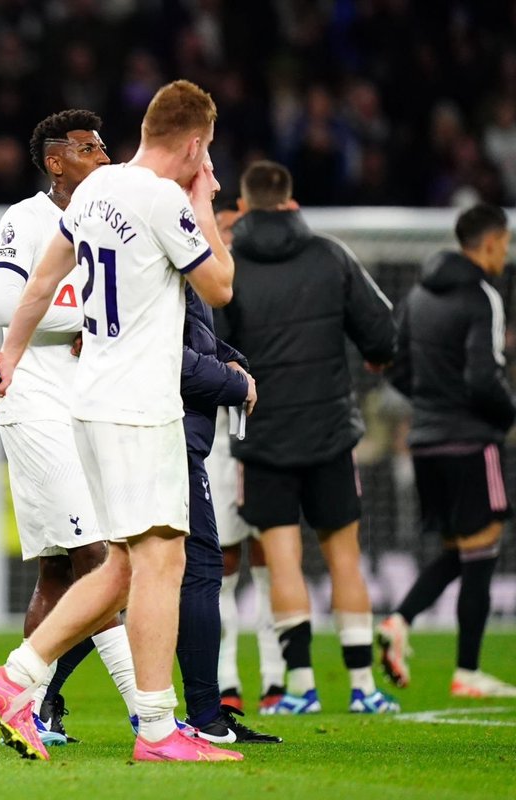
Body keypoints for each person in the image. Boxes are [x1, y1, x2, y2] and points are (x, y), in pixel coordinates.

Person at [0, 79, 240, 763]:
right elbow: (219, 285)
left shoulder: (94, 193)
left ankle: (22, 678)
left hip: (89, 400)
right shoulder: (157, 196)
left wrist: (6, 355)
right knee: (159, 559)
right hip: (137, 406)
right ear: (193, 143)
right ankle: (153, 728)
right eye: (204, 153)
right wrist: (203, 202)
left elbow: (38, 283)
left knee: (125, 563)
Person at [220, 160, 399, 715]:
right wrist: (372, 358)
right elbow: (382, 332)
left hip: (264, 436)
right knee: (345, 557)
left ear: (244, 208)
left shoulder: (227, 268)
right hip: (328, 433)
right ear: (292, 202)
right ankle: (363, 686)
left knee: (284, 560)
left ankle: (299, 687)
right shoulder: (331, 255)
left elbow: (214, 352)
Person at [0, 109, 138, 746]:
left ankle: (31, 711)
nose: (104, 156)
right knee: (98, 557)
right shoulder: (26, 219)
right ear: (56, 160)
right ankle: (148, 711)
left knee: (57, 572)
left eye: (105, 146)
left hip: (86, 405)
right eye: (89, 147)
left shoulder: (109, 224)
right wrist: (87, 322)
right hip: (37, 404)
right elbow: (1, 306)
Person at [378, 204, 516, 699]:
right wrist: (507, 415)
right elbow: (484, 378)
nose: (505, 253)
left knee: (458, 551)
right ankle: (468, 671)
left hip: (426, 441)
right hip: (470, 439)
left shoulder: (418, 293)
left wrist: (432, 403)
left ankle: (399, 619)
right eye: (504, 243)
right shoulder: (482, 296)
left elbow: (395, 365)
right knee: (483, 548)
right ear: (489, 242)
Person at [177, 280, 281, 744]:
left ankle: (199, 715)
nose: (214, 201)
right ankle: (26, 679)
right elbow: (162, 351)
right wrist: (231, 381)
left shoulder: (168, 255)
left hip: (175, 438)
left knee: (136, 575)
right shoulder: (163, 242)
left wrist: (228, 358)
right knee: (187, 571)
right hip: (163, 436)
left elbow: (192, 332)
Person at [209, 197, 286, 713]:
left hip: (272, 433)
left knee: (272, 556)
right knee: (224, 562)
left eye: (238, 228)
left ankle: (278, 676)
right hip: (217, 435)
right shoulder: (200, 285)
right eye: (224, 229)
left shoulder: (263, 282)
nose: (232, 237)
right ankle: (226, 679)